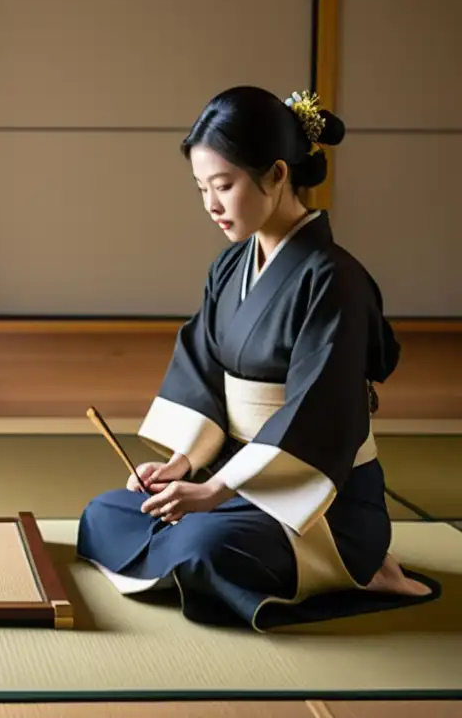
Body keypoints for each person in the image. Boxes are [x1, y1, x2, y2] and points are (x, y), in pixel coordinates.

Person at [76, 86, 439, 631]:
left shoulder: (335, 279)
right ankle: (206, 533)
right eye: (201, 188)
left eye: (223, 186)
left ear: (275, 174)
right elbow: (201, 371)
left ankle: (361, 565)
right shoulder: (229, 268)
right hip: (235, 478)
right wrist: (182, 466)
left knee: (201, 545)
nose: (211, 205)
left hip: (318, 502)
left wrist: (213, 492)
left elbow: (321, 412)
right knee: (105, 514)